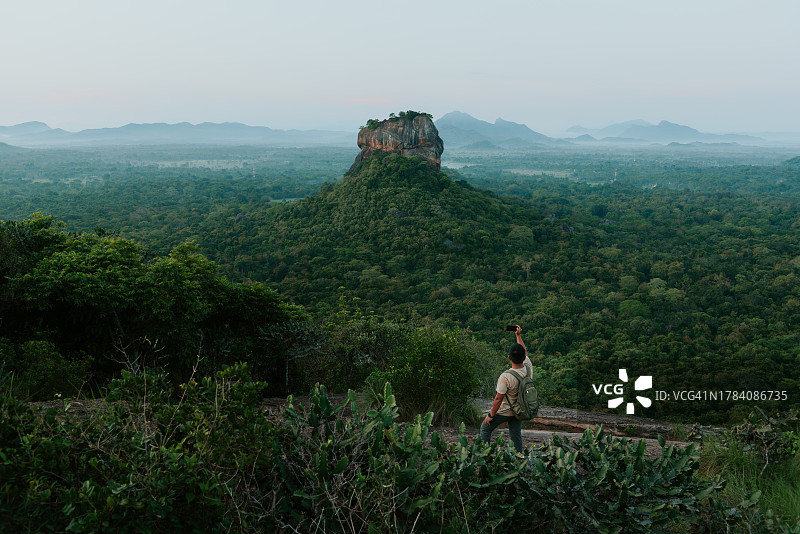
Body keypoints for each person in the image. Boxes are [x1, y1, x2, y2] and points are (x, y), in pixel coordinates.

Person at [479, 325, 532, 453]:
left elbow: (498, 399)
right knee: (515, 436)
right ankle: (519, 459)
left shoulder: (506, 376)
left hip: (504, 411)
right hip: (520, 410)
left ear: (509, 358)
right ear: (524, 357)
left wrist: (491, 415)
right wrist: (518, 336)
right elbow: (524, 351)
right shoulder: (528, 368)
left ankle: (484, 454)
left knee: (485, 429)